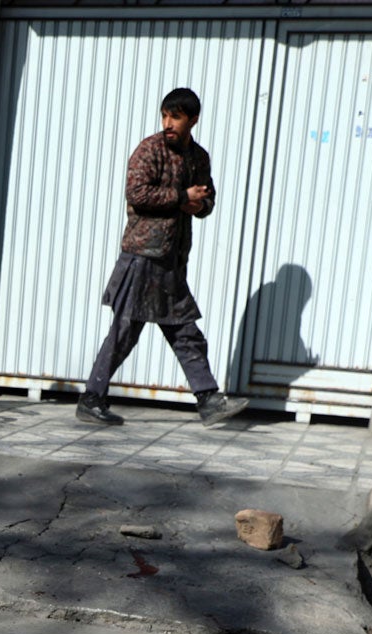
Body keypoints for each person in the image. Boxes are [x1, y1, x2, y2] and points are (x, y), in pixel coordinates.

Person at [77, 88, 247, 428]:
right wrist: (182, 196)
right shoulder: (149, 150)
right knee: (125, 330)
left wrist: (200, 205)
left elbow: (207, 199)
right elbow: (137, 195)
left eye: (176, 117)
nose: (168, 123)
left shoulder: (199, 157)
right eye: (165, 116)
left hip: (172, 259)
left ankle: (208, 399)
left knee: (185, 331)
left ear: (193, 120)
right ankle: (92, 398)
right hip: (143, 255)